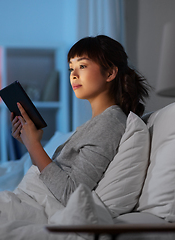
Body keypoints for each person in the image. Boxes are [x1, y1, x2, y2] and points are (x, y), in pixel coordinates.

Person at [11, 35, 150, 206]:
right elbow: (50, 179)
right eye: (71, 68)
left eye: (82, 66)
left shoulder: (110, 124)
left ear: (110, 72)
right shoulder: (98, 123)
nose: (73, 75)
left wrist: (34, 146)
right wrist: (30, 143)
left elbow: (71, 194)